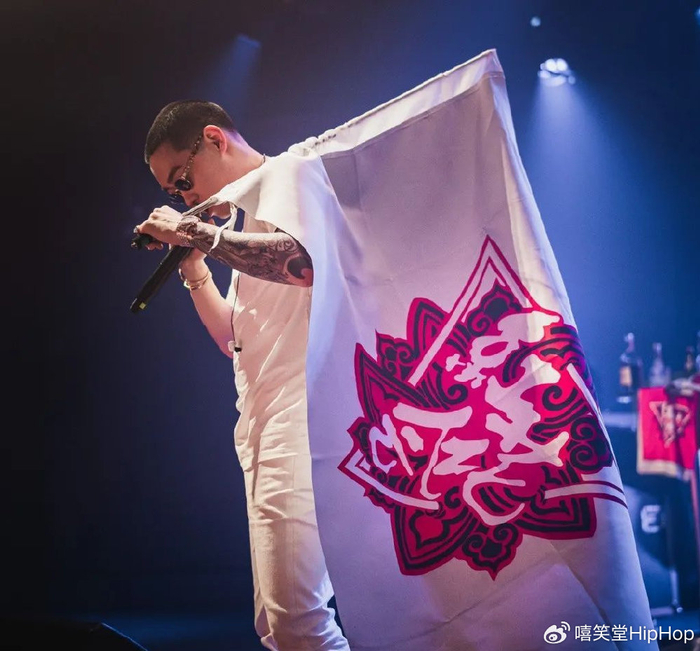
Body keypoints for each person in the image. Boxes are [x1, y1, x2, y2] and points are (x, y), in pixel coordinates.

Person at [135, 100, 350, 651]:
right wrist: (194, 268)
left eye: (182, 179)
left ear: (214, 139)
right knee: (275, 627)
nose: (184, 198)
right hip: (260, 426)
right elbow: (235, 337)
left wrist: (198, 234)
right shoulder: (244, 220)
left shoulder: (291, 174)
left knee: (299, 620)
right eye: (173, 192)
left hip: (303, 423)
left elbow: (304, 263)